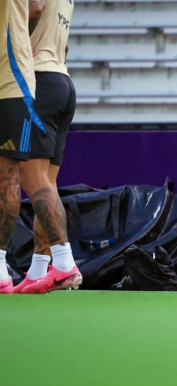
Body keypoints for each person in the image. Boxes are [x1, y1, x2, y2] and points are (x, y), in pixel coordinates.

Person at [12, 0, 80, 294]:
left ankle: (64, 265)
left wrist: (20, 50)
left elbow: (36, 8)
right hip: (62, 80)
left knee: (33, 179)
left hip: (37, 80)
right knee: (47, 182)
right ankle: (39, 269)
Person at [0, 0, 44, 293]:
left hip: (13, 84)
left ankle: (0, 264)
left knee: (8, 174)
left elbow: (37, 7)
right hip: (12, 82)